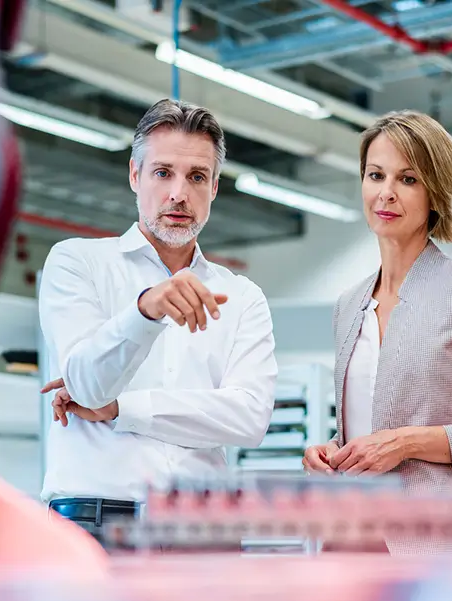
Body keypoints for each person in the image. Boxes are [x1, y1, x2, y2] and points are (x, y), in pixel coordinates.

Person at [301, 110, 452, 556]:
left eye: (408, 179)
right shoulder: (348, 305)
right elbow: (371, 422)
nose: (386, 192)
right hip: (350, 538)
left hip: (439, 547)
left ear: (436, 192)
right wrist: (333, 450)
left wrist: (408, 442)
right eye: (376, 175)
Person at [37, 98, 278, 544]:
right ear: (135, 175)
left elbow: (249, 418)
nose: (179, 194)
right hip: (95, 527)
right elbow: (87, 385)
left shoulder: (242, 297)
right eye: (163, 173)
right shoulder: (77, 263)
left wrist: (122, 409)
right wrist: (144, 311)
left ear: (215, 187)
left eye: (197, 177)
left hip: (203, 534)